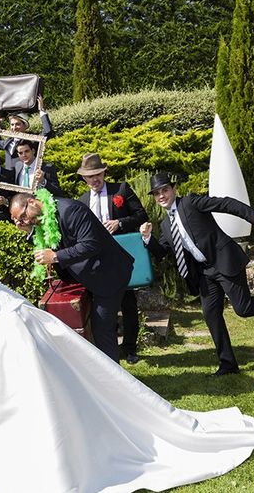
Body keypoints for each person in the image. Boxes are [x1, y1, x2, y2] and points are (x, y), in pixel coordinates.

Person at [0, 203, 254, 493]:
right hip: (8, 315)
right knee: (37, 389)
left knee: (25, 392)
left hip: (6, 322)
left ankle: (34, 458)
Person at [139, 172, 254, 376]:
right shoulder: (166, 225)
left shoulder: (191, 202)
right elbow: (163, 252)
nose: (161, 196)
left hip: (224, 261)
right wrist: (148, 238)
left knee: (244, 308)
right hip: (204, 273)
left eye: (165, 190)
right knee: (211, 314)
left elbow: (227, 204)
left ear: (174, 189)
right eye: (156, 193)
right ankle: (228, 364)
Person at [9, 192, 133, 362]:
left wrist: (55, 256)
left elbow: (91, 244)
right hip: (88, 277)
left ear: (32, 202)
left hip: (109, 273)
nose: (25, 221)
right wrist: (28, 230)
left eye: (23, 216)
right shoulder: (41, 218)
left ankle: (116, 382)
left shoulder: (71, 210)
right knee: (94, 327)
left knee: (102, 329)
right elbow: (48, 244)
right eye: (19, 220)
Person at [77, 153, 148, 364]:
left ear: (104, 172)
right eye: (90, 176)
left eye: (98, 174)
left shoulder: (121, 190)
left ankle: (130, 348)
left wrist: (120, 223)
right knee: (102, 307)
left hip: (121, 256)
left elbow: (141, 215)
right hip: (97, 262)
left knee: (127, 302)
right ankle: (106, 348)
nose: (95, 179)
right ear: (84, 179)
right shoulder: (81, 201)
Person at [0, 95, 55, 170]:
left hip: (26, 177)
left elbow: (47, 132)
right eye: (12, 125)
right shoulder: (8, 141)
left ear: (25, 126)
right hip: (9, 179)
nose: (14, 127)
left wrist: (41, 111)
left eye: (17, 124)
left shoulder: (32, 140)